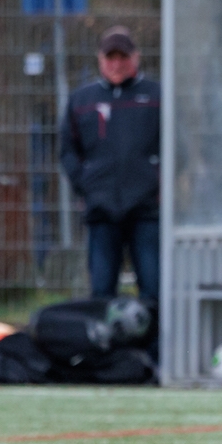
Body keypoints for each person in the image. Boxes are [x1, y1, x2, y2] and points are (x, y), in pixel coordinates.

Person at [59, 26, 161, 307]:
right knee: (101, 292)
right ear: (100, 60)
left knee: (153, 288)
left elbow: (178, 149)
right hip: (101, 211)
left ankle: (154, 336)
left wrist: (158, 185)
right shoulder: (82, 100)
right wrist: (86, 185)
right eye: (110, 58)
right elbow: (68, 150)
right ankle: (105, 336)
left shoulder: (157, 96)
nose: (117, 64)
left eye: (123, 57)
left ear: (135, 57)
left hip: (146, 211)